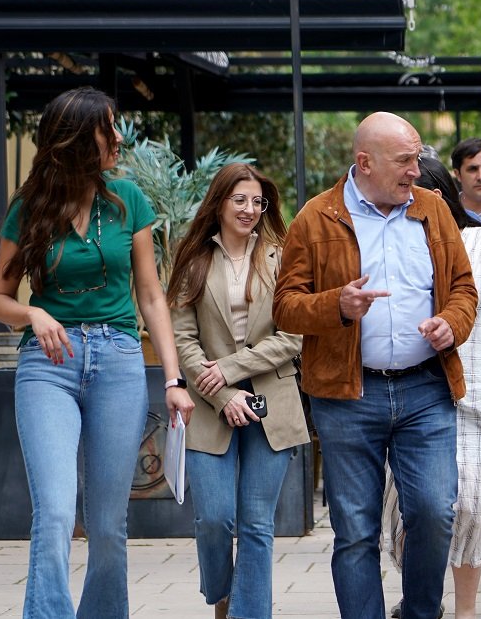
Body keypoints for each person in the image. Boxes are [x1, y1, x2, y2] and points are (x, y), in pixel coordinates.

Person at [0, 86, 195, 618]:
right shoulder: (29, 208)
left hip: (119, 361)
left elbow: (150, 296)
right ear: (80, 139)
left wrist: (173, 380)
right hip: (48, 366)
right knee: (54, 512)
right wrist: (32, 313)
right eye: (110, 127)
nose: (119, 137)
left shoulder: (128, 201)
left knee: (107, 523)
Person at [272, 112, 478, 619]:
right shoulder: (315, 219)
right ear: (365, 162)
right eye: (405, 160)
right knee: (355, 528)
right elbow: (284, 306)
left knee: (433, 513)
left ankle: (419, 613)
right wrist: (335, 307)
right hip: (347, 395)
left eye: (417, 158)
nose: (417, 169)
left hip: (426, 389)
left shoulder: (433, 211)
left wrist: (452, 323)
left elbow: (464, 291)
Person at [383, 156, 481, 619]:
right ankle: (421, 599)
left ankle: (464, 611)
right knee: (416, 506)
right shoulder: (397, 250)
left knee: (469, 504)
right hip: (412, 399)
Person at [168, 163, 307, 619]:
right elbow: (183, 338)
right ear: (220, 202)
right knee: (214, 520)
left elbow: (292, 336)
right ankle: (223, 599)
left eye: (258, 202)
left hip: (273, 400)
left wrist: (228, 369)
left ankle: (247, 613)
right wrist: (222, 392)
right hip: (211, 404)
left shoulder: (281, 256)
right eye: (240, 200)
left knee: (256, 525)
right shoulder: (192, 258)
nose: (250, 210)